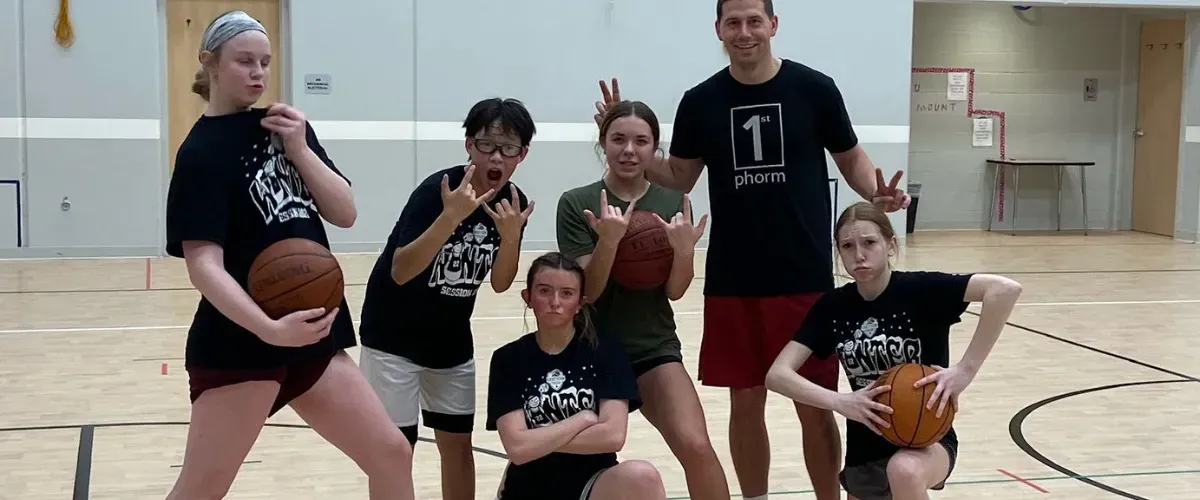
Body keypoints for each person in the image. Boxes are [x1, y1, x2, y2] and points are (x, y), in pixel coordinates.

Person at [590, 1, 911, 498]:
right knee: (746, 401)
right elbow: (679, 174)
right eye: (733, 22)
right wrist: (627, 144)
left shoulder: (814, 89)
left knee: (816, 405)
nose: (744, 32)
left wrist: (876, 192)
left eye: (753, 21)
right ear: (718, 28)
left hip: (804, 276)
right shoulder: (700, 101)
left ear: (773, 25)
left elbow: (851, 158)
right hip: (734, 278)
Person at [163, 11, 414, 500]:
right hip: (241, 344)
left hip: (312, 334)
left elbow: (345, 212)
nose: (258, 72)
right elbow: (203, 266)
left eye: (265, 62)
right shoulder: (200, 155)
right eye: (244, 62)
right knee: (200, 490)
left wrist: (299, 147)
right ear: (210, 64)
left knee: (391, 452)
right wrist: (268, 328)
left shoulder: (286, 126)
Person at [765, 201, 1022, 500]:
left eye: (869, 242)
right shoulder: (832, 307)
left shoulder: (920, 290)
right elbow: (777, 375)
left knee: (904, 470)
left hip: (925, 441)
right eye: (847, 246)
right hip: (865, 449)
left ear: (890, 245)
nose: (858, 254)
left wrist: (965, 370)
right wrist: (840, 401)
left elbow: (1004, 290)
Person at [357, 98, 535, 500]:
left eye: (508, 148)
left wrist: (510, 238)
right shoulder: (436, 192)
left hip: (450, 341)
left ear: (522, 155)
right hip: (392, 339)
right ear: (468, 145)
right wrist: (450, 217)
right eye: (486, 144)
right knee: (394, 451)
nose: (496, 156)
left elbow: (502, 283)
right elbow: (401, 270)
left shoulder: (514, 203)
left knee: (457, 446)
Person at [557, 101, 731, 500]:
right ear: (603, 143)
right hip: (589, 351)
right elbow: (589, 292)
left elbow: (674, 290)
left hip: (652, 346)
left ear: (655, 149)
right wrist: (609, 241)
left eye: (641, 141)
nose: (629, 150)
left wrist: (684, 252)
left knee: (696, 445)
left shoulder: (672, 202)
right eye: (618, 139)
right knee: (558, 456)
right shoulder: (576, 202)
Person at [486, 252, 667, 500]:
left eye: (567, 293)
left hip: (592, 486)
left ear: (580, 303)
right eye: (544, 291)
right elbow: (517, 449)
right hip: (529, 489)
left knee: (643, 476)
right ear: (527, 297)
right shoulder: (508, 359)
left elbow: (613, 436)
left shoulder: (606, 350)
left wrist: (535, 441)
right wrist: (581, 420)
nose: (555, 302)